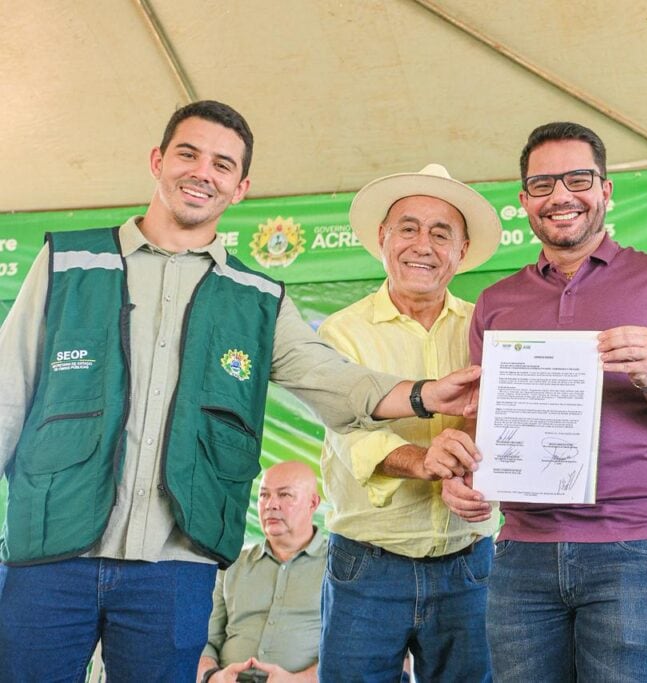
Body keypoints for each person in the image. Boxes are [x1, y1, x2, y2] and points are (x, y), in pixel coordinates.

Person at [0, 100, 480, 682]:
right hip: (52, 549)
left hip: (175, 565)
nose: (203, 172)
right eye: (188, 154)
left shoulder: (257, 298)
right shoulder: (68, 261)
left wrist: (427, 393)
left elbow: (332, 380)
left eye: (222, 164)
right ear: (157, 161)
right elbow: (8, 391)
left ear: (241, 186)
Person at [441, 121, 647, 681]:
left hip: (636, 548)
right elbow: (481, 430)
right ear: (523, 200)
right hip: (522, 554)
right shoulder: (497, 302)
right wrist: (462, 477)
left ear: (605, 190)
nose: (561, 196)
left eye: (577, 179)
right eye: (543, 185)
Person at [316, 163, 502, 681]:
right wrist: (426, 462)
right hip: (367, 565)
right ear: (382, 238)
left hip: (470, 560)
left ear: (461, 252)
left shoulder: (487, 326)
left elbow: (500, 411)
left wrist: (466, 465)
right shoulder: (339, 333)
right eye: (408, 228)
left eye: (442, 233)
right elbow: (349, 428)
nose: (423, 244)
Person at [197, 461, 325, 683]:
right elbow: (204, 639)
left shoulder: (341, 570)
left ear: (313, 503)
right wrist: (212, 677)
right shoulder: (233, 563)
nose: (271, 505)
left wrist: (299, 680)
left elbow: (352, 651)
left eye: (285, 495)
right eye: (264, 495)